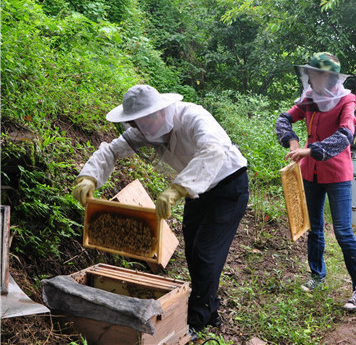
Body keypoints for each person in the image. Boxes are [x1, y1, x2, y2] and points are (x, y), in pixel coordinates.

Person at [72, 84, 249, 339]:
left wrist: (177, 188)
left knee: (206, 253)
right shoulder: (144, 130)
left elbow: (213, 150)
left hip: (229, 185)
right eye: (136, 122)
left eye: (146, 119)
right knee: (193, 251)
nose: (143, 127)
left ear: (160, 110)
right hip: (197, 190)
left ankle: (197, 319)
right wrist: (89, 176)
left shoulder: (192, 116)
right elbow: (111, 151)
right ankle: (209, 310)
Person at [275, 52, 356, 310]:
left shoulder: (347, 101)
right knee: (314, 226)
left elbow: (345, 135)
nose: (309, 77)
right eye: (309, 72)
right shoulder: (308, 100)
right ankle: (317, 275)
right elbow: (284, 119)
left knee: (342, 231)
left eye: (315, 73)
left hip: (337, 174)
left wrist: (309, 150)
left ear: (328, 77)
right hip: (310, 173)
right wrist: (293, 141)